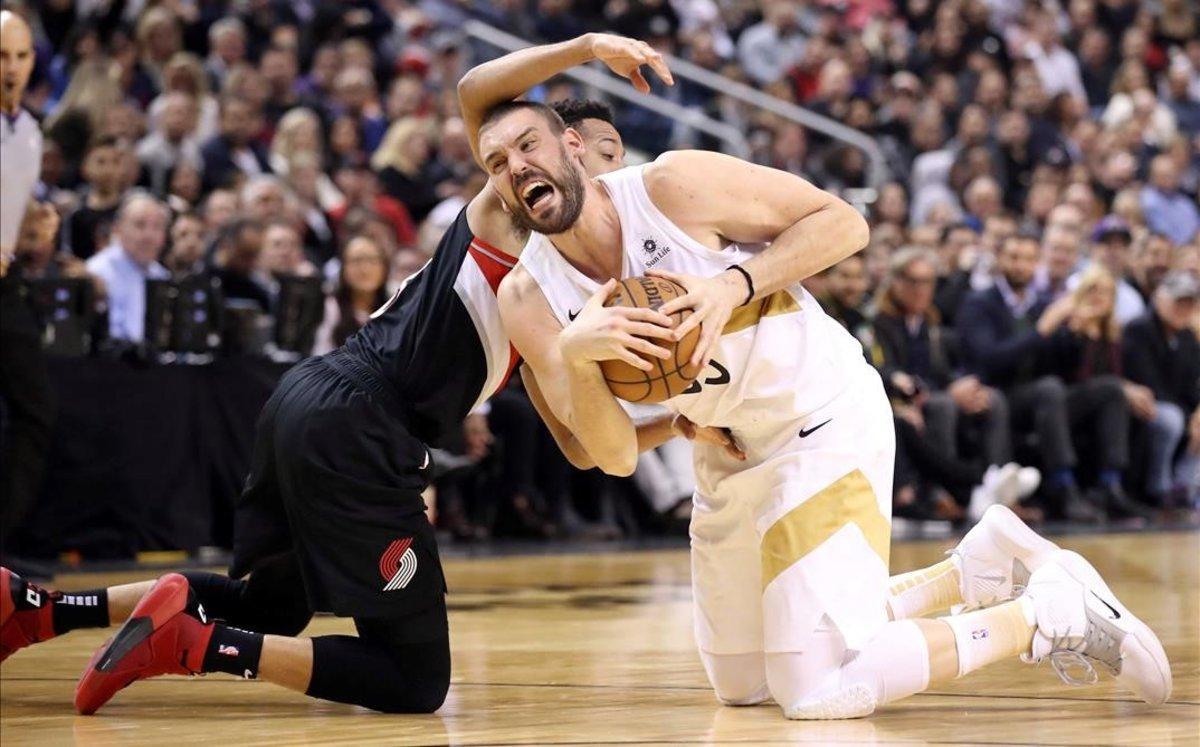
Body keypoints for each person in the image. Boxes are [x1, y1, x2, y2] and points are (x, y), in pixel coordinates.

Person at [0, 32, 735, 717]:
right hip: (359, 422)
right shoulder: (511, 211)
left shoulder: (557, 303)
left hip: (315, 400)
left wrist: (670, 421)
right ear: (567, 149)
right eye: (607, 153)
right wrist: (583, 47)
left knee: (267, 603)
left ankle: (44, 610)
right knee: (416, 679)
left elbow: (579, 446)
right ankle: (196, 646)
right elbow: (477, 92)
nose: (621, 173)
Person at [482, 98, 1169, 718]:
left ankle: (1049, 609)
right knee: (742, 684)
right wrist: (578, 354)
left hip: (821, 416)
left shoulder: (671, 187)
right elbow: (612, 454)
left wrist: (732, 285)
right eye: (496, 163)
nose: (516, 167)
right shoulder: (528, 298)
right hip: (732, 451)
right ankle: (968, 568)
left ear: (572, 145)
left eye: (527, 145)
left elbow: (845, 223)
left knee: (816, 687)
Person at [0, 10, 57, 566]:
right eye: (0, 56)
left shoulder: (30, 132)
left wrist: (34, 230)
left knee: (35, 410)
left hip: (6, 287)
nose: (10, 68)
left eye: (19, 56)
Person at [1122, 272, 1200, 508]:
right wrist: (1190, 416)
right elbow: (1151, 385)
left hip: (1175, 405)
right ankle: (1159, 486)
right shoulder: (1139, 329)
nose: (1183, 308)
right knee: (1171, 419)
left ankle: (1185, 485)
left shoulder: (1187, 337)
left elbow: (1192, 385)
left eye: (1189, 302)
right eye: (1178, 301)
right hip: (1143, 404)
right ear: (1159, 299)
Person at [84, 193, 171, 344]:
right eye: (140, 225)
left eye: (157, 227)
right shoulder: (96, 271)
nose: (149, 235)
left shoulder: (162, 277)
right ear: (118, 229)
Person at [312, 235, 390, 355]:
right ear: (343, 267)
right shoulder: (330, 307)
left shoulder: (395, 307)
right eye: (357, 261)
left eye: (372, 260)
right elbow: (318, 356)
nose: (365, 269)